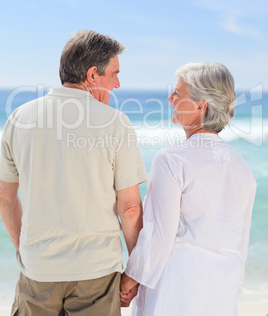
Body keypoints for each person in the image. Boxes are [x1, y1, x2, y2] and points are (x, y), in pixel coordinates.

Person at [0, 30, 147, 316]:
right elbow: (129, 208)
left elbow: (5, 199)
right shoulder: (116, 123)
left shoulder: (19, 118)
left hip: (38, 272)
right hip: (97, 275)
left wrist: (26, 251)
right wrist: (135, 271)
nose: (117, 84)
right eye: (114, 74)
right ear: (93, 75)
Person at [120, 62, 256, 316]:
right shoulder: (242, 168)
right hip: (221, 291)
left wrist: (131, 278)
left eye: (178, 93)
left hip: (176, 288)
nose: (170, 97)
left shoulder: (172, 160)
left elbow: (160, 235)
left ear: (200, 105)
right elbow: (241, 242)